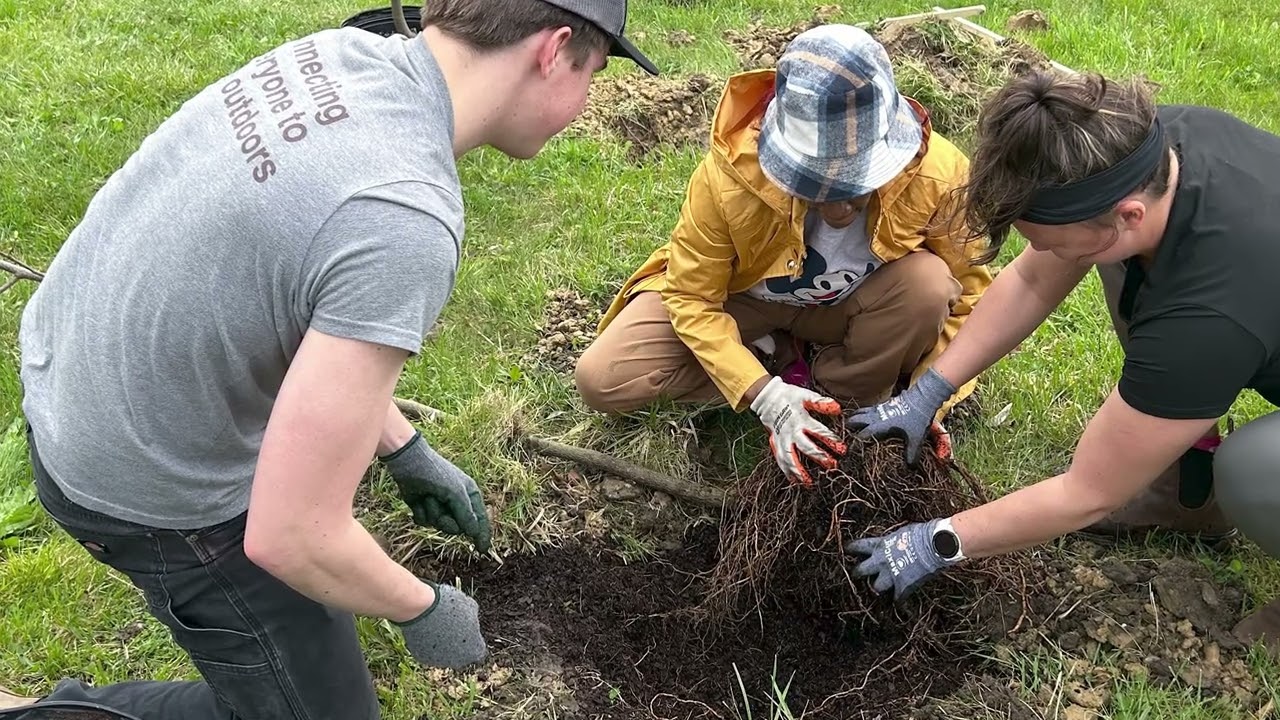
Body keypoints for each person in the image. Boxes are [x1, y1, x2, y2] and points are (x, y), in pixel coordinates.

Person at [5, 1, 657, 717]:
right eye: (592, 73)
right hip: (140, 471)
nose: (585, 101)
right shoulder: (404, 214)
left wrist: (403, 448)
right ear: (553, 50)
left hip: (76, 378)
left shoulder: (338, 58)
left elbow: (282, 294)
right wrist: (421, 606)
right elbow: (292, 536)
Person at [844, 69, 1280, 657]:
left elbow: (1087, 492)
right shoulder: (1148, 149)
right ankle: (1185, 493)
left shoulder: (1204, 315)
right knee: (1119, 263)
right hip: (1235, 305)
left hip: (1233, 309)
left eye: (1048, 239)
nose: (1040, 252)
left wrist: (937, 541)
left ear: (1127, 213)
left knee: (1255, 470)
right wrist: (929, 389)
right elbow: (1031, 280)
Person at [574, 25, 993, 487]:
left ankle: (841, 395)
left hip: (849, 308)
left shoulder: (939, 174)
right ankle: (774, 367)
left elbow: (970, 297)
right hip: (744, 301)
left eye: (856, 186)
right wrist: (763, 394)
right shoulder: (728, 176)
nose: (839, 210)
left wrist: (928, 399)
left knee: (929, 285)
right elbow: (692, 299)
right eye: (817, 188)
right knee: (604, 378)